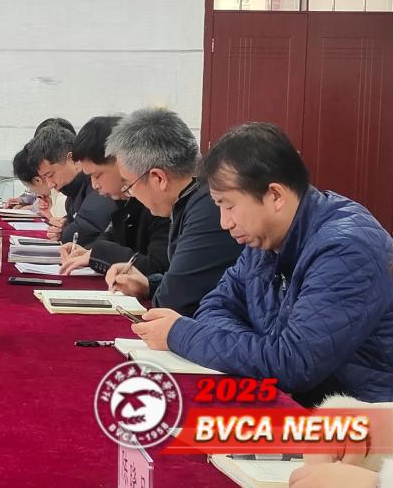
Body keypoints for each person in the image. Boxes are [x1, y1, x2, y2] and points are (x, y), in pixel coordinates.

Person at [132, 123, 393, 405]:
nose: (224, 222)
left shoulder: (346, 248)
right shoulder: (264, 239)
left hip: (363, 417)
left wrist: (180, 334)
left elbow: (293, 364)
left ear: (275, 196)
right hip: (298, 404)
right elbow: (214, 306)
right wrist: (261, 350)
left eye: (229, 206)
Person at [101, 107, 243, 316]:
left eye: (129, 185)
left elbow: (176, 301)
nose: (130, 194)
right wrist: (150, 285)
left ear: (158, 178)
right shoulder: (195, 196)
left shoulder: (209, 207)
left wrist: (160, 291)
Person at [58, 116, 170, 277]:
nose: (94, 185)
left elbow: (158, 268)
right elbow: (111, 238)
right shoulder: (125, 201)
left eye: (97, 175)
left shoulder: (157, 201)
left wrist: (100, 253)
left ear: (121, 162)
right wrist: (89, 252)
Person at [24, 124, 115, 245]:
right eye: (44, 178)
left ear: (72, 159)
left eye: (50, 175)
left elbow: (83, 232)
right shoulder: (73, 191)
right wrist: (63, 224)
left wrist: (64, 231)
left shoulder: (98, 185)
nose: (50, 185)